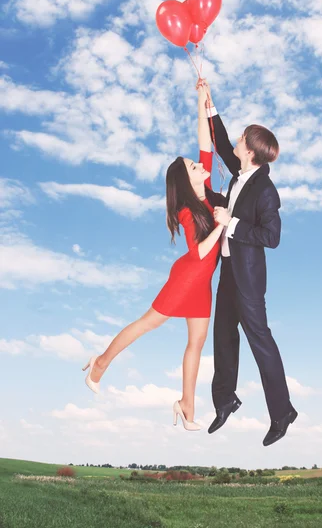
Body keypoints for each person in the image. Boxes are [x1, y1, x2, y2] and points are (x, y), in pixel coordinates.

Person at [82, 81, 226, 431]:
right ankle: (100, 363)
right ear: (185, 179)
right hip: (187, 278)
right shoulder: (188, 211)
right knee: (147, 323)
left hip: (203, 282)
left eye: (197, 163)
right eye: (194, 166)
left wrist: (201, 101)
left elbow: (204, 140)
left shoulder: (205, 191)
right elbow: (200, 250)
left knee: (196, 342)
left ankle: (186, 405)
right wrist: (220, 226)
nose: (200, 164)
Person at [201, 81, 298, 447]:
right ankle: (225, 399)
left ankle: (283, 412)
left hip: (250, 279)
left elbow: (271, 237)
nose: (237, 142)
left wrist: (232, 223)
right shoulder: (240, 171)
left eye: (243, 139)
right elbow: (221, 144)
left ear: (253, 153)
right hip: (228, 271)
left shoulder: (265, 191)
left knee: (261, 342)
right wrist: (210, 107)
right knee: (223, 336)